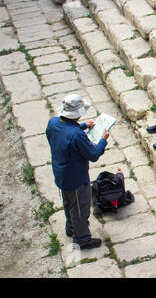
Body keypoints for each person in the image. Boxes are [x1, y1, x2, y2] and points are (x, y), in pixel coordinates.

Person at [46, 94, 110, 250]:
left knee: (68, 202)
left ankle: (71, 227)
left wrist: (82, 126)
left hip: (60, 173)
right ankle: (81, 238)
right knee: (80, 208)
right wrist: (103, 140)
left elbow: (62, 133)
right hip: (76, 178)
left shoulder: (53, 122)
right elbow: (93, 155)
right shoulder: (77, 135)